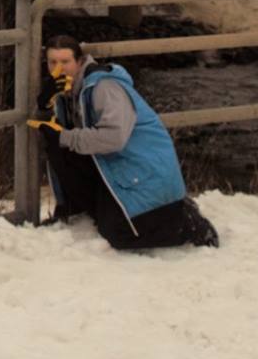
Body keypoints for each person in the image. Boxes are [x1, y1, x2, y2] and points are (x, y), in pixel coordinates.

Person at [27, 33, 220, 251]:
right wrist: (44, 103)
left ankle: (188, 224)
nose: (58, 69)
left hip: (142, 168)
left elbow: (113, 138)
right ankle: (81, 210)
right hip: (116, 166)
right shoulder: (64, 92)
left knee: (119, 234)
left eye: (65, 62)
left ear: (79, 62)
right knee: (58, 146)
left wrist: (64, 137)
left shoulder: (104, 87)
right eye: (53, 62)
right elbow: (48, 132)